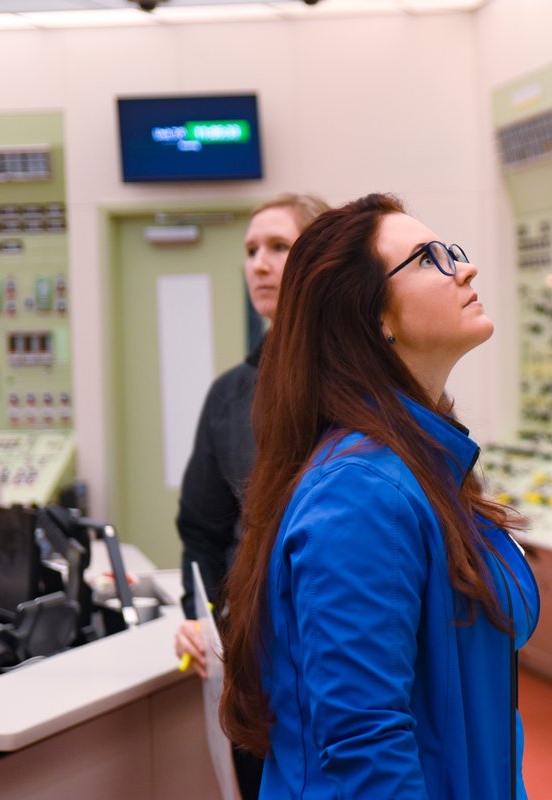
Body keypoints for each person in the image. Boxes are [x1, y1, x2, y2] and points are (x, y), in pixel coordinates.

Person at [219, 193, 539, 798]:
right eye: (427, 260)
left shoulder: (425, 466)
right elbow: (364, 742)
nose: (463, 269)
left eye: (451, 253)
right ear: (373, 320)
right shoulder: (362, 493)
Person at [172, 192, 329, 799]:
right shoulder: (230, 396)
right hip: (252, 668)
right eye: (250, 250)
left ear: (320, 262)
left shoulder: (358, 386)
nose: (260, 264)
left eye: (279, 247)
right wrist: (203, 621)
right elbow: (201, 531)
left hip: (337, 650)